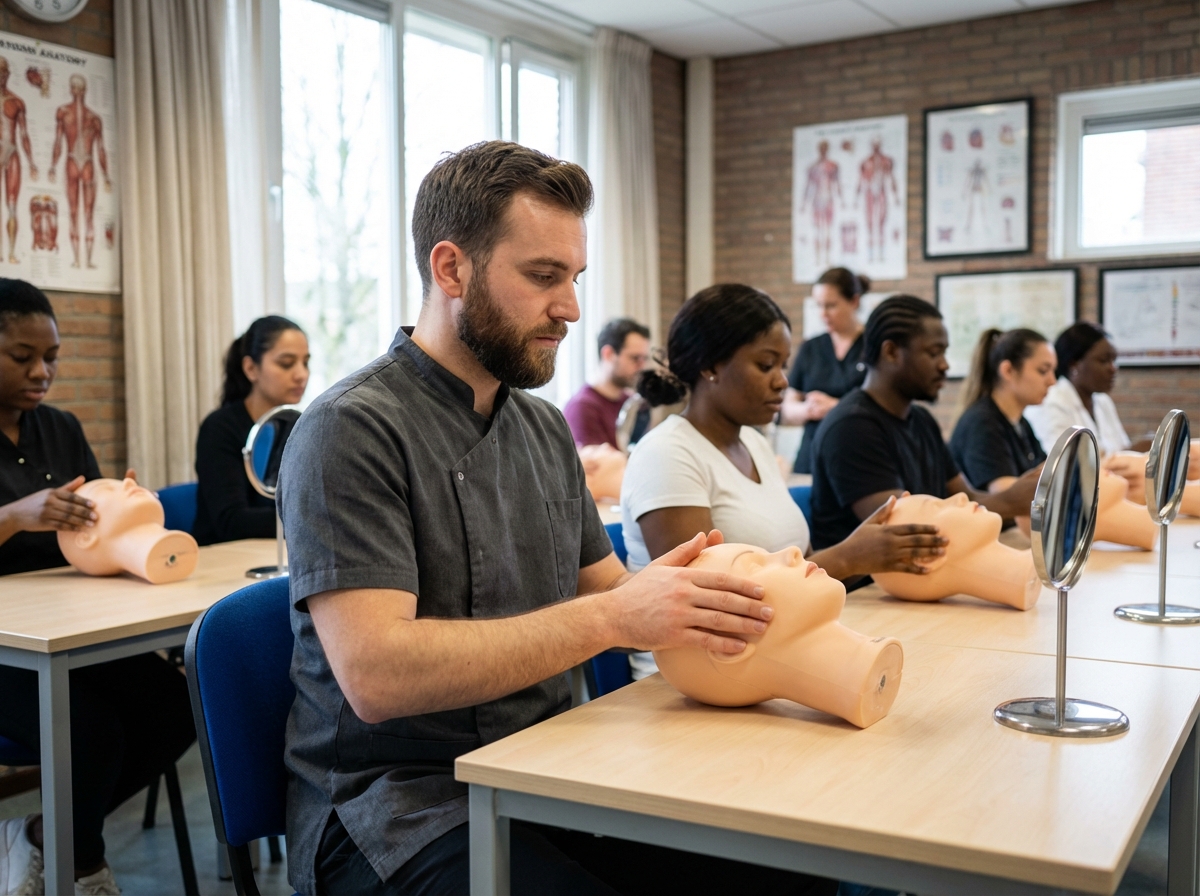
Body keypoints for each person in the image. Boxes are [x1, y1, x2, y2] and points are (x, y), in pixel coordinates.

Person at [277, 141, 835, 896]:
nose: (571, 307)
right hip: (401, 807)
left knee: (776, 865)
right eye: (543, 277)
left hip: (551, 765)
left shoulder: (539, 429)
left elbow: (616, 587)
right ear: (451, 270)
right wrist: (613, 618)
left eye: (573, 278)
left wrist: (724, 600)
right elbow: (377, 675)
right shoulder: (350, 429)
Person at [622, 283, 945, 679]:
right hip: (698, 679)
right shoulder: (667, 453)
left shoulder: (754, 446)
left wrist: (862, 551)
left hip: (775, 653)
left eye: (784, 366)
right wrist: (847, 557)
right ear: (710, 366)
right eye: (765, 365)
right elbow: (711, 604)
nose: (781, 382)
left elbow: (798, 564)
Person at [0, 279, 194, 896]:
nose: (42, 372)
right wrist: (13, 516)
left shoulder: (57, 427)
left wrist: (122, 506)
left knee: (182, 704)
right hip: (8, 647)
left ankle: (39, 838)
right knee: (91, 732)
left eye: (51, 357)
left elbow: (93, 536)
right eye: (22, 357)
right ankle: (81, 864)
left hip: (68, 629)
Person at [809, 295, 1040, 551]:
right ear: (891, 352)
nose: (944, 365)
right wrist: (1010, 502)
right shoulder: (852, 427)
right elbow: (904, 528)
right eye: (933, 353)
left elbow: (966, 498)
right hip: (864, 587)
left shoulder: (921, 420)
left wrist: (1019, 495)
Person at [193, 316, 309, 546]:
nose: (301, 374)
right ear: (250, 368)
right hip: (223, 560)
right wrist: (316, 518)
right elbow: (231, 521)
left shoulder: (300, 426)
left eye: (305, 363)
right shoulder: (220, 428)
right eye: (287, 363)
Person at [780, 268, 868, 473]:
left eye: (831, 306)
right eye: (819, 306)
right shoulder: (811, 348)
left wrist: (836, 406)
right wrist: (807, 410)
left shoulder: (873, 347)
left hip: (858, 456)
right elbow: (787, 408)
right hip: (811, 458)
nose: (823, 314)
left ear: (854, 301)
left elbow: (885, 408)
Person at [949, 328, 1055, 494]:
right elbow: (1003, 493)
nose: (1052, 381)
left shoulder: (1021, 423)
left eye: (1053, 371)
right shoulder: (982, 423)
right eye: (1043, 371)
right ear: (1008, 371)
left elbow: (1045, 470)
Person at [1024, 321, 1150, 459]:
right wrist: (1135, 451)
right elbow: (1065, 465)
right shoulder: (1052, 402)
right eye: (1103, 361)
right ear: (1074, 365)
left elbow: (1121, 448)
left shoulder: (1102, 401)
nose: (1113, 368)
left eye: (1114, 360)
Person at [562, 317, 650, 448]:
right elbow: (598, 467)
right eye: (635, 358)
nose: (642, 366)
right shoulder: (583, 408)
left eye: (644, 359)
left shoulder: (632, 403)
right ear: (608, 354)